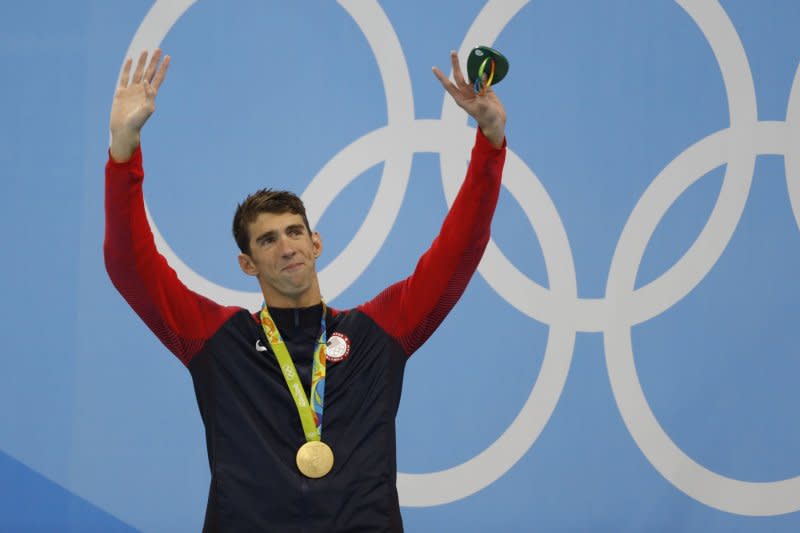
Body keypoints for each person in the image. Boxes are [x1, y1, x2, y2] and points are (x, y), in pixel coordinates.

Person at [105, 48, 507, 532]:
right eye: (268, 240)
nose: (286, 247)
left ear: (316, 243)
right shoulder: (218, 341)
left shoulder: (376, 333)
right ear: (247, 263)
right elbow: (130, 266)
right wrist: (123, 152)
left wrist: (490, 142)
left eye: (295, 232)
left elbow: (459, 253)